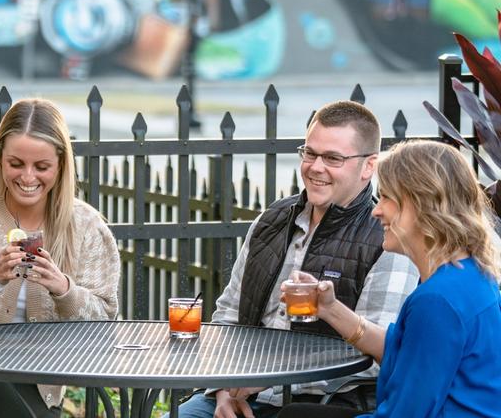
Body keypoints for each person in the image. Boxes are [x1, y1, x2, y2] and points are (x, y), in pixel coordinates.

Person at [172, 101, 419, 418]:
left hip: (323, 405)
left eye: (333, 158)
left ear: (369, 166)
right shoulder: (271, 220)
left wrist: (269, 378)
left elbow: (376, 355)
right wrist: (222, 390)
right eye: (310, 153)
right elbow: (229, 316)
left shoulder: (386, 239)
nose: (315, 167)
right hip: (238, 394)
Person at [0, 98, 120, 418]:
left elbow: (104, 325)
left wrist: (64, 290)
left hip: (35, 387)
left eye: (41, 167)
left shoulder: (86, 226)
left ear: (61, 165)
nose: (28, 177)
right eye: (16, 163)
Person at [278, 140, 501, 418]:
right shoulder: (468, 273)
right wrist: (329, 308)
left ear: (421, 204)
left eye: (386, 197)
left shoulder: (437, 300)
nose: (376, 210)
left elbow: (405, 413)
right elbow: (404, 351)